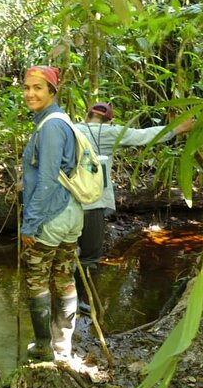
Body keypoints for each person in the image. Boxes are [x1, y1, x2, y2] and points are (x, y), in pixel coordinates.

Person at [74, 102, 195, 313]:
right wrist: (177, 129)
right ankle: (76, 300)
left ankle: (60, 300)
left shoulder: (72, 129)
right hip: (93, 203)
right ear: (109, 120)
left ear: (87, 116)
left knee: (64, 252)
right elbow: (145, 135)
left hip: (68, 201)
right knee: (89, 256)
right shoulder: (113, 133)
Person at [20, 65, 84, 362]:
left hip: (52, 215)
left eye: (38, 88)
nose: (30, 93)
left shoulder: (50, 126)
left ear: (52, 91)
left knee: (37, 280)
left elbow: (47, 181)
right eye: (27, 87)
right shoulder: (59, 121)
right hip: (71, 213)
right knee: (63, 276)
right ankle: (63, 348)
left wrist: (30, 225)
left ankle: (44, 347)